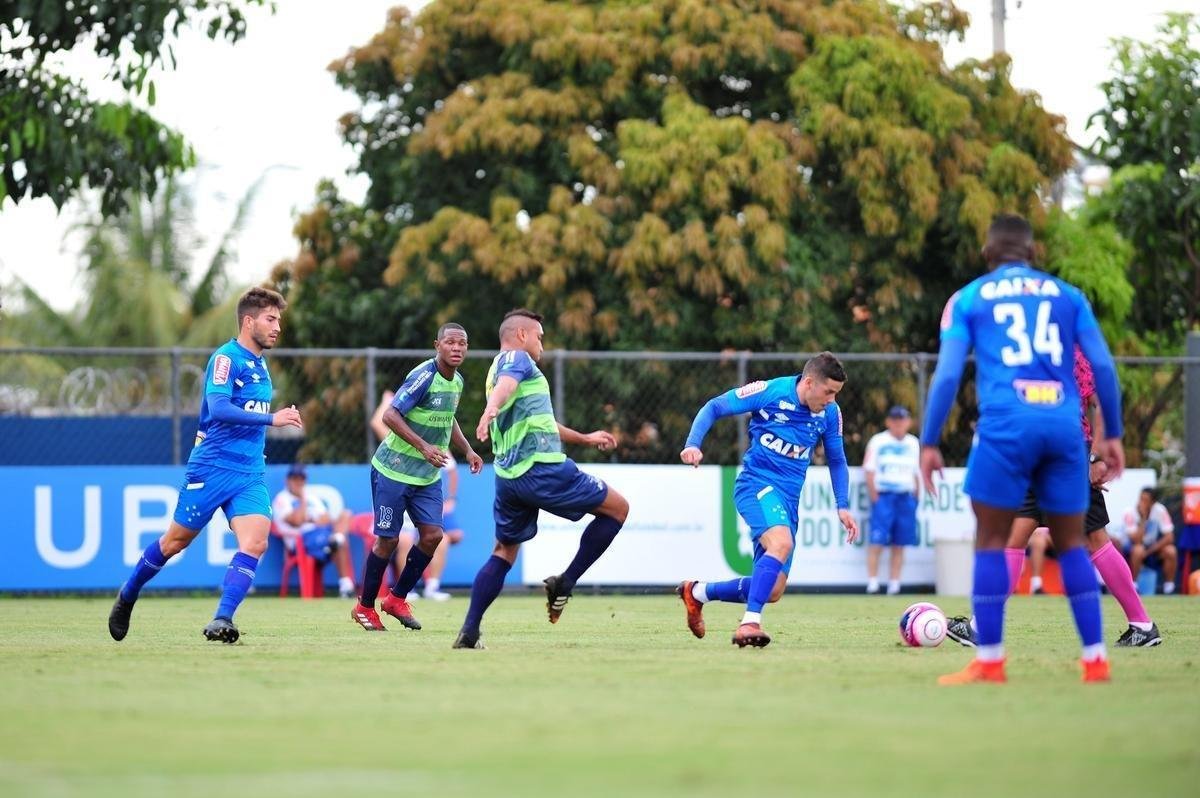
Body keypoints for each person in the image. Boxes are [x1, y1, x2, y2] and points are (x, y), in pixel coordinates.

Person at [920, 214, 1125, 685]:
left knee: (992, 542)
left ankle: (990, 660)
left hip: (1005, 426)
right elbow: (1103, 367)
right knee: (1072, 543)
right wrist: (1112, 434)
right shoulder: (1069, 296)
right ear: (1033, 254)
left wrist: (929, 440)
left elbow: (947, 375)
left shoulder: (967, 297)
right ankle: (1095, 661)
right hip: (1063, 428)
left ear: (987, 254)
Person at [108, 287, 303, 644]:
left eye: (279, 320)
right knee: (174, 542)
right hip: (212, 467)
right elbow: (219, 408)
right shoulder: (226, 359)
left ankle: (222, 618)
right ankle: (129, 592)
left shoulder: (260, 364)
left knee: (255, 542)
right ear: (248, 321)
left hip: (249, 473)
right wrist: (272, 419)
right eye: (270, 319)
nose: (278, 327)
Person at [945, 347, 1161, 648]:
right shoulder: (1031, 345)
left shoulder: (1070, 348)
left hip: (1066, 451)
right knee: (1017, 536)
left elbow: (1099, 400)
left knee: (1093, 538)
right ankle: (980, 626)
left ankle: (1141, 625)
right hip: (1034, 450)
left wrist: (1096, 456)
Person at [452, 309, 628, 650]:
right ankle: (566, 583)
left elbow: (541, 421)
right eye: (539, 337)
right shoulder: (517, 359)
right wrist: (490, 410)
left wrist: (585, 438)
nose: (542, 346)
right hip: (540, 468)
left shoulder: (496, 370)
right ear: (521, 335)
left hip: (508, 478)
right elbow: (505, 389)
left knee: (504, 551)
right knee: (618, 509)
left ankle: (469, 632)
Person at [677, 352, 860, 648]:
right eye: (828, 392)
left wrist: (842, 505)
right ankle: (750, 623)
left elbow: (837, 460)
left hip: (788, 499)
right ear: (809, 382)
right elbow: (715, 406)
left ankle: (697, 593)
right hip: (756, 485)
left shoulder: (830, 413)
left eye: (836, 394)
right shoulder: (770, 392)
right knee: (781, 543)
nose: (831, 400)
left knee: (773, 589)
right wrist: (693, 444)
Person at [350, 323, 482, 631]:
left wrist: (467, 450)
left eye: (462, 343)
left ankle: (396, 599)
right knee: (388, 540)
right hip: (393, 471)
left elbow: (448, 419)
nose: (456, 348)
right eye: (450, 342)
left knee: (434, 536)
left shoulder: (457, 382)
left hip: (426, 476)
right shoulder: (424, 376)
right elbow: (389, 415)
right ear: (437, 345)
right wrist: (424, 446)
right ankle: (364, 607)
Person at [372, 393, 464, 601]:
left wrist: (451, 498)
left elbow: (452, 470)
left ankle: (432, 587)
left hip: (422, 499)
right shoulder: (398, 438)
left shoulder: (438, 440)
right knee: (403, 540)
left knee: (441, 539)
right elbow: (380, 422)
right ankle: (405, 592)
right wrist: (387, 402)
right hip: (399, 500)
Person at [272, 464, 356, 599]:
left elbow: (327, 518)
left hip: (320, 533)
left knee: (345, 515)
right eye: (295, 478)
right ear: (287, 480)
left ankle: (336, 541)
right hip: (301, 541)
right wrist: (303, 501)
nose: (298, 482)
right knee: (338, 541)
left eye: (301, 479)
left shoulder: (311, 497)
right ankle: (345, 585)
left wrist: (308, 518)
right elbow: (296, 521)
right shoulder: (281, 499)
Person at [863, 406, 920, 595]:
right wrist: (875, 497)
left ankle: (894, 584)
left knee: (900, 543)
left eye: (902, 420)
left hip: (906, 497)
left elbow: (916, 472)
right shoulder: (878, 441)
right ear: (888, 422)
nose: (898, 423)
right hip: (884, 496)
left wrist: (917, 496)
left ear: (908, 422)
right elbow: (869, 469)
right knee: (877, 540)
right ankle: (873, 583)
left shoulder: (913, 443)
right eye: (895, 420)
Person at [1125, 487, 1178, 595]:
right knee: (1138, 550)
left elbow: (1169, 537)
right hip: (1132, 548)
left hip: (1151, 549)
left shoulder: (1160, 510)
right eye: (1141, 499)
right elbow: (1136, 540)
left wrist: (1148, 552)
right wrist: (1143, 518)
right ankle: (1134, 585)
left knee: (1170, 550)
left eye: (1145, 500)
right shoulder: (1130, 512)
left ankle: (1169, 588)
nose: (1141, 503)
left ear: (1153, 502)